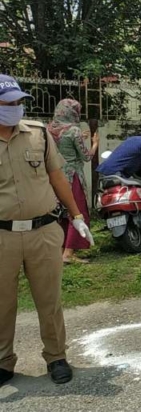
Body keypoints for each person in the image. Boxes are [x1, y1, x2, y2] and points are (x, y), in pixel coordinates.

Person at [0, 75, 94, 386]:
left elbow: (57, 177)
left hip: (43, 231)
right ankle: (3, 360)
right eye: (7, 103)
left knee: (49, 300)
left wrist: (77, 215)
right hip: (2, 236)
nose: (15, 108)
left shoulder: (39, 134)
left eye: (18, 102)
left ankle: (56, 357)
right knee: (2, 302)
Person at [47, 99, 99, 264]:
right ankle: (69, 253)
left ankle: (62, 249)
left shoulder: (49, 129)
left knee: (60, 213)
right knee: (77, 212)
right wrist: (95, 144)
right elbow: (86, 156)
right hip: (72, 177)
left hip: (54, 176)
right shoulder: (74, 130)